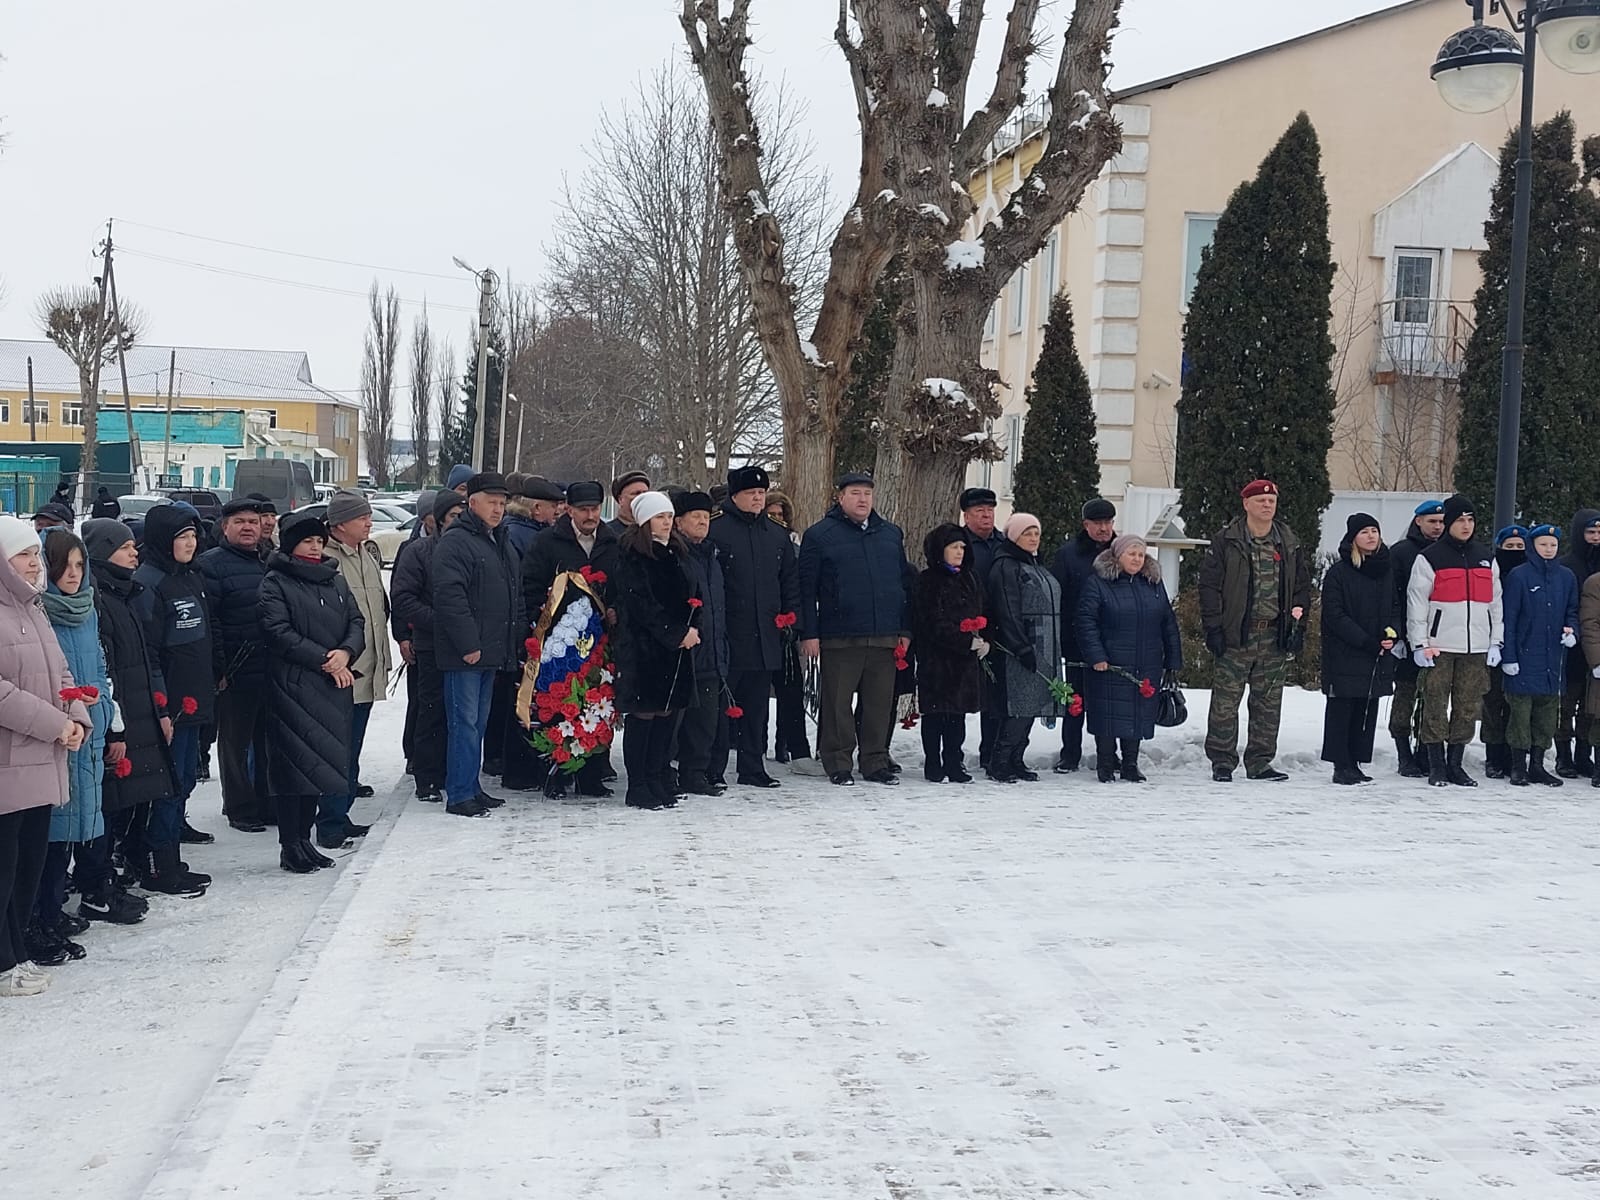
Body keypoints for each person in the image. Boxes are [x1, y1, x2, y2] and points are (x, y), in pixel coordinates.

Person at [0, 516, 93, 996]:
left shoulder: (34, 609)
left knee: (28, 865)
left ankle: (17, 953)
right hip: (8, 764)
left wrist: (76, 713)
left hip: (42, 758)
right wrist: (56, 724)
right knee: (5, 866)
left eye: (37, 555)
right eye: (24, 556)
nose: (35, 565)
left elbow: (60, 671)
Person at [37, 529, 141, 947]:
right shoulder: (37, 611)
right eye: (63, 565)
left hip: (91, 725)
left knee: (90, 811)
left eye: (80, 565)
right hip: (58, 730)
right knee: (56, 821)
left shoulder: (88, 608)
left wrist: (110, 720)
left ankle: (89, 889)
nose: (73, 574)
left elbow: (100, 667)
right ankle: (46, 906)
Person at [83, 519, 193, 897]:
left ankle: (123, 866)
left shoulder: (126, 593)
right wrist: (116, 727)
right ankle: (101, 880)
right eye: (125, 547)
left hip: (139, 711)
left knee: (132, 798)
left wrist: (159, 708)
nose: (135, 553)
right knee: (112, 802)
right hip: (120, 717)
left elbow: (144, 658)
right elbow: (106, 669)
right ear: (102, 552)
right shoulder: (101, 599)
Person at [258, 511, 364, 873]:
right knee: (294, 771)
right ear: (291, 545)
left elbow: (356, 620)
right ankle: (291, 845)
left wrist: (346, 652)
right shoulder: (276, 581)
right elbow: (277, 630)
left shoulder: (334, 580)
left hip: (331, 687)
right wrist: (325, 659)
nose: (315, 547)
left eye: (319, 541)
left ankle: (306, 840)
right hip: (293, 687)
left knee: (319, 768)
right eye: (307, 541)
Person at [797, 473, 911, 787]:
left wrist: (904, 628)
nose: (862, 500)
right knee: (837, 704)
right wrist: (809, 632)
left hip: (884, 634)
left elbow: (902, 584)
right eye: (855, 493)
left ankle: (875, 760)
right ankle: (837, 761)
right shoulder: (820, 535)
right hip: (839, 635)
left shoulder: (889, 534)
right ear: (841, 497)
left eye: (867, 494)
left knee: (878, 704)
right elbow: (807, 589)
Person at [1199, 479, 1311, 783]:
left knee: (1268, 704)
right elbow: (1209, 587)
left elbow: (1301, 586)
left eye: (1272, 501)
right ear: (1246, 504)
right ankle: (1222, 761)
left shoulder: (1288, 542)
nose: (1267, 505)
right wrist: (1214, 627)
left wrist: (1297, 626)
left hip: (1273, 635)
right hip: (1237, 634)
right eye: (1260, 500)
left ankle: (1260, 761)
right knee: (1225, 703)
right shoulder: (1227, 540)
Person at [131, 504, 222, 862]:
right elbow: (149, 651)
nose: (190, 543)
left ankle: (172, 840)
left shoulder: (191, 575)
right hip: (169, 702)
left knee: (185, 777)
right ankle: (158, 857)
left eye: (192, 536)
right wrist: (161, 705)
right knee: (167, 781)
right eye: (181, 537)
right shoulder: (149, 583)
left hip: (195, 696)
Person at [521, 480, 621, 798]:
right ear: (570, 510)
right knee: (558, 704)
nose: (591, 515)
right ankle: (556, 774)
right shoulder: (548, 541)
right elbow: (530, 585)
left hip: (600, 641)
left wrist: (615, 609)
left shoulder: (612, 541)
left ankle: (592, 774)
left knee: (597, 702)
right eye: (584, 510)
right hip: (558, 640)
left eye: (595, 509)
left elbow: (621, 583)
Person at [432, 472, 519, 818]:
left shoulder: (499, 539)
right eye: (492, 502)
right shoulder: (457, 542)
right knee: (463, 723)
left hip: (491, 649)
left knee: (478, 724)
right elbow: (450, 597)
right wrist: (468, 643)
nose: (498, 509)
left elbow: (511, 594)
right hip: (466, 652)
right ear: (473, 502)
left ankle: (471, 786)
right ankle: (458, 793)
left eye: (502, 503)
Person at [707, 465, 799, 789]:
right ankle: (713, 768)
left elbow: (789, 580)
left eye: (761, 493)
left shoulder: (776, 534)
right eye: (751, 494)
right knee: (721, 708)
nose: (758, 499)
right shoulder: (716, 531)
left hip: (766, 635)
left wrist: (790, 618)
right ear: (735, 496)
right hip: (730, 634)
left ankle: (751, 766)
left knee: (757, 708)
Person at [1407, 494, 1502, 788]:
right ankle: (1435, 764)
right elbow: (1417, 603)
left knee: (1466, 707)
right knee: (1435, 704)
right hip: (1440, 645)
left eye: (1471, 519)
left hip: (1476, 647)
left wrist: (1495, 641)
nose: (1466, 525)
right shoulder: (1430, 557)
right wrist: (1419, 643)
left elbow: (1495, 603)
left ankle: (1455, 764)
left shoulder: (1486, 556)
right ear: (1448, 522)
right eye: (1460, 519)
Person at [613, 492, 700, 810]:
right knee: (644, 713)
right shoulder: (633, 554)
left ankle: (656, 776)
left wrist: (693, 625)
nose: (666, 522)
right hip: (645, 648)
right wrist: (675, 633)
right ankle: (638, 784)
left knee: (667, 713)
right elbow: (641, 604)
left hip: (676, 648)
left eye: (669, 515)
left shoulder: (677, 551)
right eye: (659, 516)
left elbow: (693, 592)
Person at [1074, 532, 1181, 784]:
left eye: (1141, 554)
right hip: (1110, 662)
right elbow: (1085, 622)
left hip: (1146, 661)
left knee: (1137, 712)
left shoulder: (1153, 584)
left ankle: (1130, 764)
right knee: (1108, 713)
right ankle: (1106, 763)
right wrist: (1096, 655)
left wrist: (1173, 658)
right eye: (1131, 554)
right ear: (1118, 555)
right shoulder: (1098, 583)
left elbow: (1168, 622)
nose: (1136, 559)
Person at [321, 489, 393, 847]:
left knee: (352, 748)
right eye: (361, 517)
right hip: (341, 670)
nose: (369, 522)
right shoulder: (326, 558)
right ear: (339, 524)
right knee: (337, 750)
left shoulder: (366, 552)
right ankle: (329, 821)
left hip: (367, 665)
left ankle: (342, 811)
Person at [200, 498, 272, 832]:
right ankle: (240, 807)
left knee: (268, 741)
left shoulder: (269, 561)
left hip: (270, 667)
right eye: (240, 521)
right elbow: (210, 621)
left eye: (253, 522)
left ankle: (266, 802)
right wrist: (219, 669)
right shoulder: (211, 565)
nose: (247, 527)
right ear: (225, 527)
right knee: (235, 743)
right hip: (235, 669)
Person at [391, 490, 465, 803]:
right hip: (432, 643)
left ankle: (456, 772)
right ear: (438, 520)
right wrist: (441, 622)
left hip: (468, 645)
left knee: (462, 712)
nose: (459, 523)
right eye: (453, 517)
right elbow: (404, 598)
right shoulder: (418, 551)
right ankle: (428, 777)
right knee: (430, 710)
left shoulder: (474, 548)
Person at [1318, 515, 1401, 785]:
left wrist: (1392, 633)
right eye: (1364, 532)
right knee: (1343, 708)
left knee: (1366, 707)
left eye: (1374, 531)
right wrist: (1365, 640)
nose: (1371, 536)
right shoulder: (1339, 573)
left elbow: (1395, 606)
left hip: (1377, 652)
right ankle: (1341, 765)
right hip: (1346, 652)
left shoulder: (1385, 570)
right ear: (1353, 538)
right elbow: (1335, 614)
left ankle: (1356, 761)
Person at [1500, 523, 1578, 787]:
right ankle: (1518, 766)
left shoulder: (1566, 577)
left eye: (1553, 545)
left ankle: (1537, 764)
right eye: (1543, 544)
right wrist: (1508, 656)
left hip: (1552, 660)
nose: (1548, 549)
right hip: (1524, 657)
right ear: (1533, 546)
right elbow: (1509, 619)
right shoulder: (1519, 576)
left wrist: (1572, 632)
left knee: (1546, 716)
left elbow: (1572, 610)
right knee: (1520, 715)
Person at [910, 524, 985, 783]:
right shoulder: (928, 580)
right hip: (936, 659)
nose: (959, 552)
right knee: (935, 715)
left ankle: (954, 762)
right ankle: (933, 762)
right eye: (954, 547)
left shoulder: (969, 578)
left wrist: (981, 639)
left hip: (963, 661)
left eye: (962, 547)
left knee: (957, 716)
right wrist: (963, 640)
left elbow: (978, 613)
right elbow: (931, 622)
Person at [1050, 498, 1117, 774]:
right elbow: (1059, 597)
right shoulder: (1069, 555)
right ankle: (1070, 754)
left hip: (1113, 639)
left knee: (1109, 702)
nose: (1103, 529)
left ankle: (1109, 755)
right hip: (1077, 640)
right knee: (1075, 702)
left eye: (1108, 523)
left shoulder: (1121, 551)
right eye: (1097, 523)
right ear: (1085, 525)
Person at [673, 491, 730, 797]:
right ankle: (669, 770)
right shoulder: (674, 555)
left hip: (712, 652)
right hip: (683, 652)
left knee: (706, 720)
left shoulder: (712, 556)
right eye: (694, 516)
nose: (701, 522)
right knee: (678, 719)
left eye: (706, 517)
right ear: (679, 521)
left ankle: (696, 772)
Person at [1388, 499, 1444, 777]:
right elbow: (1393, 596)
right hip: (1408, 637)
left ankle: (1425, 750)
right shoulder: (1400, 553)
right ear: (1418, 521)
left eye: (1441, 522)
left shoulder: (1447, 552)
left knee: (1433, 696)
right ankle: (1403, 752)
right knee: (1405, 694)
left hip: (1439, 636)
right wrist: (1397, 634)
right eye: (1432, 521)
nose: (1438, 527)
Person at [957, 488, 1006, 770]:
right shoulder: (960, 543)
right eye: (979, 511)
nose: (986, 515)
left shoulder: (1003, 542)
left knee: (995, 695)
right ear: (967, 515)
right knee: (963, 693)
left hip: (999, 628)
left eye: (990, 510)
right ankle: (956, 753)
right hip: (968, 626)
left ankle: (991, 752)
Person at [762, 490, 810, 764]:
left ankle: (791, 744)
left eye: (781, 514)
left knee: (791, 691)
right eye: (772, 514)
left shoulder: (795, 544)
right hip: (761, 626)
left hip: (787, 628)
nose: (777, 519)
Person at [1480, 526, 1527, 778]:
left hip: (1522, 647)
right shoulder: (1490, 571)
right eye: (1509, 547)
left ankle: (1512, 754)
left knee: (1516, 703)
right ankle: (1493, 754)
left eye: (1520, 547)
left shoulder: (1529, 573)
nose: (1515, 551)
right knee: (1492, 702)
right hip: (1492, 644)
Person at [1557, 508, 1600, 777]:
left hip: (1596, 649)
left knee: (1590, 706)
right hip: (1571, 646)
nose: (1595, 537)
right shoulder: (1567, 565)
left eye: (1599, 532)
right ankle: (1563, 755)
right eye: (1590, 532)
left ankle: (1584, 754)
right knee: (1566, 703)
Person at [606, 470, 652, 538]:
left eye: (645, 493)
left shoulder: (657, 530)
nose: (642, 497)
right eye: (636, 493)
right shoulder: (608, 533)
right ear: (621, 499)